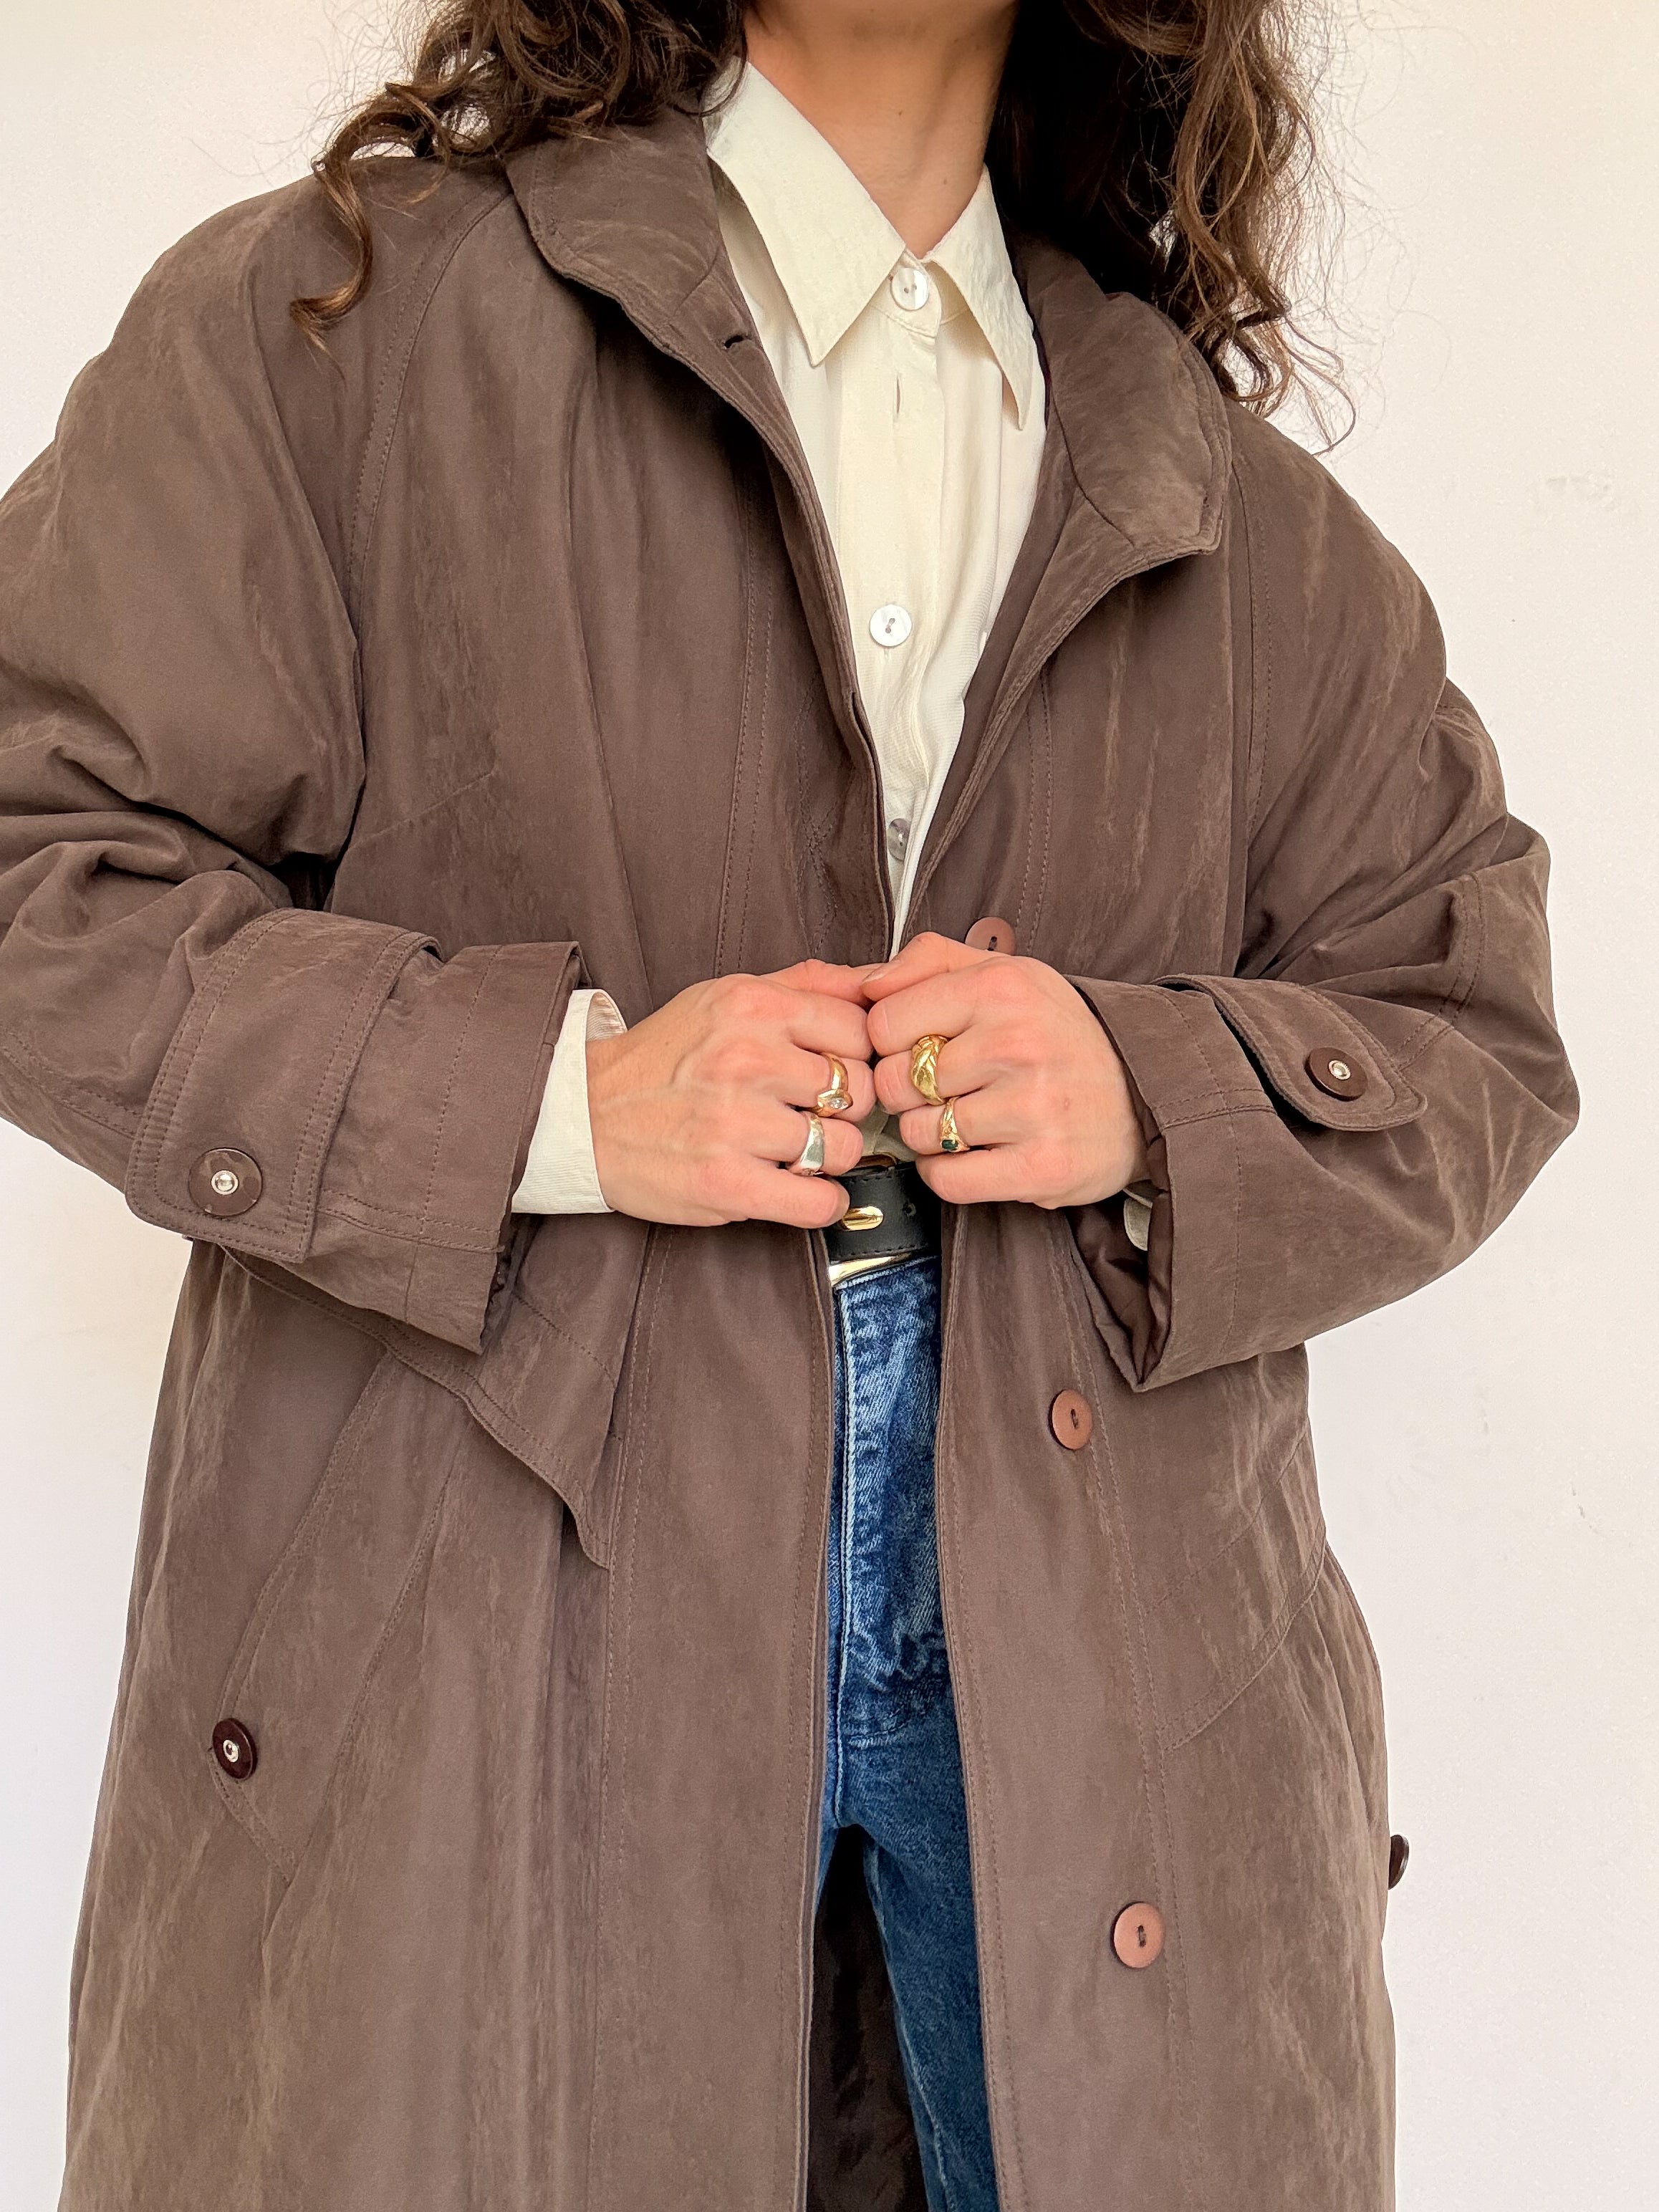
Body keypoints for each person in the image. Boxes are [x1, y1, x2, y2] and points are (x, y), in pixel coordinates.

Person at [0, 2, 1577, 2207]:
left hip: (1105, 1670)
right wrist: (561, 1100)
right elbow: (43, 870)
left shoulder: (1236, 510)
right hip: (492, 1643)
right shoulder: (341, 329)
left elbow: (1468, 1027)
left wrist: (1146, 1090)